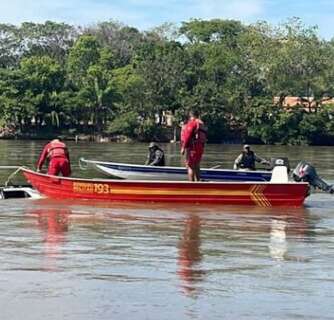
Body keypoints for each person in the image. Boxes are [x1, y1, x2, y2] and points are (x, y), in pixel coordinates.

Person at [180, 110, 207, 181]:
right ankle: (197, 182)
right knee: (197, 165)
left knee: (190, 166)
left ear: (191, 116)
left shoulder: (192, 122)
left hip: (193, 147)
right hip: (200, 147)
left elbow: (187, 136)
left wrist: (183, 147)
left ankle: (191, 184)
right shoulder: (201, 124)